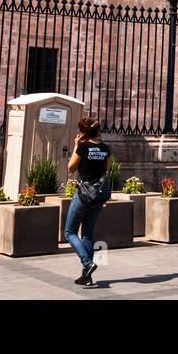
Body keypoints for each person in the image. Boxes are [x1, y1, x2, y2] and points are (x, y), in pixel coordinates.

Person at [65, 116, 112, 286]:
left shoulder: (83, 148)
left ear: (83, 132)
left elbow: (70, 168)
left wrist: (76, 146)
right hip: (98, 195)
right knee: (87, 233)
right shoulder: (106, 148)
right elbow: (105, 170)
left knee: (69, 232)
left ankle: (87, 263)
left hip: (83, 195)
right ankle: (87, 277)